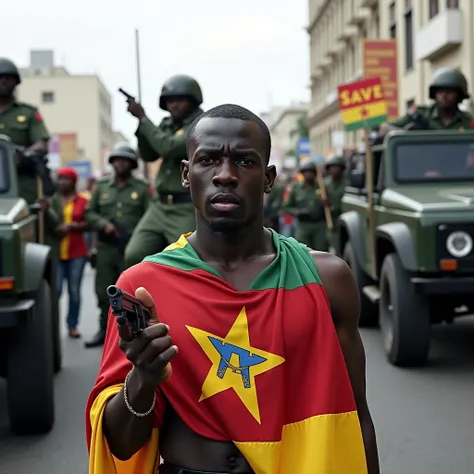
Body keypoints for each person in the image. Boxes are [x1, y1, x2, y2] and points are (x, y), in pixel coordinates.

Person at [86, 104, 379, 474]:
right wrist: (143, 377)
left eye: (244, 161)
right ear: (186, 174)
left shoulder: (325, 280)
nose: (225, 175)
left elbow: (356, 419)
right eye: (208, 160)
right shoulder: (142, 287)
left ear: (269, 178)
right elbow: (122, 445)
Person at [124, 75, 204, 267]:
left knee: (185, 263)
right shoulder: (167, 124)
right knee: (134, 255)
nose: (173, 105)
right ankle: (143, 296)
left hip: (185, 206)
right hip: (159, 206)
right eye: (169, 101)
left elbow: (167, 147)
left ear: (192, 100)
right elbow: (149, 154)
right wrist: (141, 125)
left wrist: (144, 118)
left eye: (179, 100)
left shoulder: (201, 125)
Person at [84, 144, 152, 348]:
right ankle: (105, 332)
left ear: (132, 165)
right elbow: (89, 212)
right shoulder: (102, 186)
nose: (121, 163)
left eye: (125, 160)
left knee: (131, 292)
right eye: (117, 160)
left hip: (130, 248)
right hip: (106, 248)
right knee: (103, 292)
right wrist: (103, 225)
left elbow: (151, 215)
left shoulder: (141, 188)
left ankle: (134, 333)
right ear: (112, 162)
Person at [0, 57, 54, 204]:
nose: (3, 81)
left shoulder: (28, 113)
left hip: (21, 186)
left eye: (7, 78)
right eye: (0, 78)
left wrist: (21, 155)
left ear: (15, 83)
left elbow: (41, 144)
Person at [50, 167, 89, 338]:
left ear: (73, 182)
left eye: (66, 179)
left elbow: (90, 223)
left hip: (76, 252)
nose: (62, 182)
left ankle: (72, 325)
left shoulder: (83, 200)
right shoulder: (51, 202)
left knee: (74, 291)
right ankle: (51, 325)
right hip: (57, 253)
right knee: (56, 290)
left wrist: (73, 226)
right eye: (60, 179)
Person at [382, 67, 474, 133]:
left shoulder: (468, 122)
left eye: (450, 92)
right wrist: (403, 134)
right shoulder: (419, 114)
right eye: (440, 91)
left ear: (459, 95)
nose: (444, 95)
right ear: (434, 94)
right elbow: (384, 129)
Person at [283, 160, 329, 251]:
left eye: (311, 172)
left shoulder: (322, 187)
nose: (309, 174)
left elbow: (331, 208)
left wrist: (326, 203)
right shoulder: (296, 188)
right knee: (302, 250)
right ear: (302, 174)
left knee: (320, 251)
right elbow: (286, 207)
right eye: (306, 172)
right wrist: (298, 212)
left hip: (319, 225)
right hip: (303, 225)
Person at [324, 155, 346, 249]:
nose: (334, 170)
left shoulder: (347, 183)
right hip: (331, 218)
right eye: (332, 167)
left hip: (344, 215)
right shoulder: (325, 184)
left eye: (337, 167)